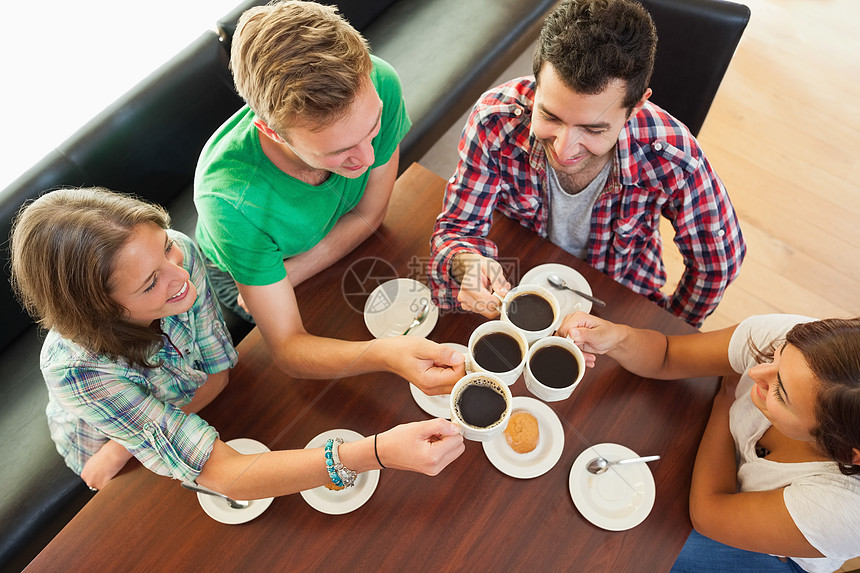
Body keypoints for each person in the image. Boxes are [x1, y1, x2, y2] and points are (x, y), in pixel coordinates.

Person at [9, 188, 465, 495]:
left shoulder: (181, 254)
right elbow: (224, 474)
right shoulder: (78, 372)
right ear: (101, 310)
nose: (180, 276)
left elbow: (219, 376)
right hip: (101, 429)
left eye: (164, 244)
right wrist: (378, 452)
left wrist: (162, 430)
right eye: (150, 284)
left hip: (178, 404)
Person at [194, 0, 464, 396]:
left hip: (292, 263)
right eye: (339, 152)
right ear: (272, 133)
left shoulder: (381, 83)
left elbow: (372, 216)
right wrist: (386, 355)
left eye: (372, 130)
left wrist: (289, 275)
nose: (370, 158)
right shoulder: (229, 201)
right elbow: (287, 348)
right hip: (244, 268)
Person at [429, 0, 745, 328]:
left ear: (635, 108)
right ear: (536, 82)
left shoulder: (674, 156)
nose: (565, 149)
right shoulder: (495, 120)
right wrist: (467, 263)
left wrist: (666, 329)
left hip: (620, 294)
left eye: (593, 129)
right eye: (549, 115)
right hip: (517, 277)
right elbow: (457, 229)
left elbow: (718, 264)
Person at [557, 311, 860, 572]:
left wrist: (724, 402)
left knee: (633, 553)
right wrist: (618, 337)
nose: (754, 371)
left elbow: (707, 513)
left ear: (846, 452)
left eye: (780, 392)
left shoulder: (843, 512)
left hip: (780, 553)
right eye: (778, 355)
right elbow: (667, 355)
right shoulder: (803, 349)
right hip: (719, 484)